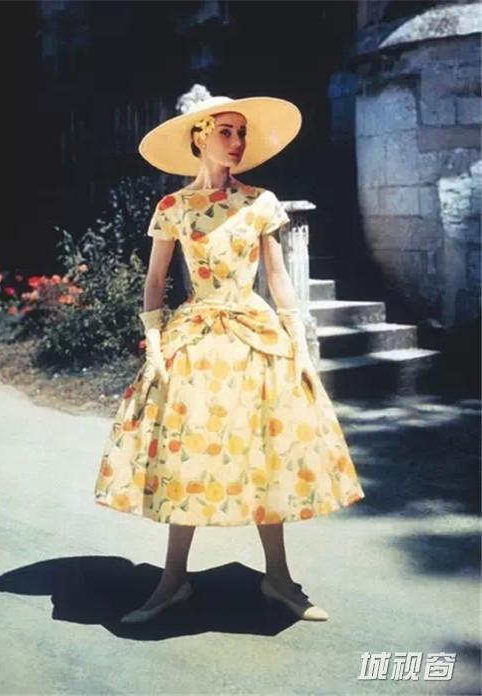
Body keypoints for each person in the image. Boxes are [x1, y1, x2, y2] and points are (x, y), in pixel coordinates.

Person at [93, 95, 365, 624]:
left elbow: (277, 275)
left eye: (242, 133)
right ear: (200, 137)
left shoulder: (261, 201)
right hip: (197, 337)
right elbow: (155, 281)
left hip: (253, 333)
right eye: (226, 131)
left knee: (264, 448)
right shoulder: (173, 207)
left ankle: (278, 578)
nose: (237, 142)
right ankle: (172, 581)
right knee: (188, 451)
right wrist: (155, 342)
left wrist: (297, 337)